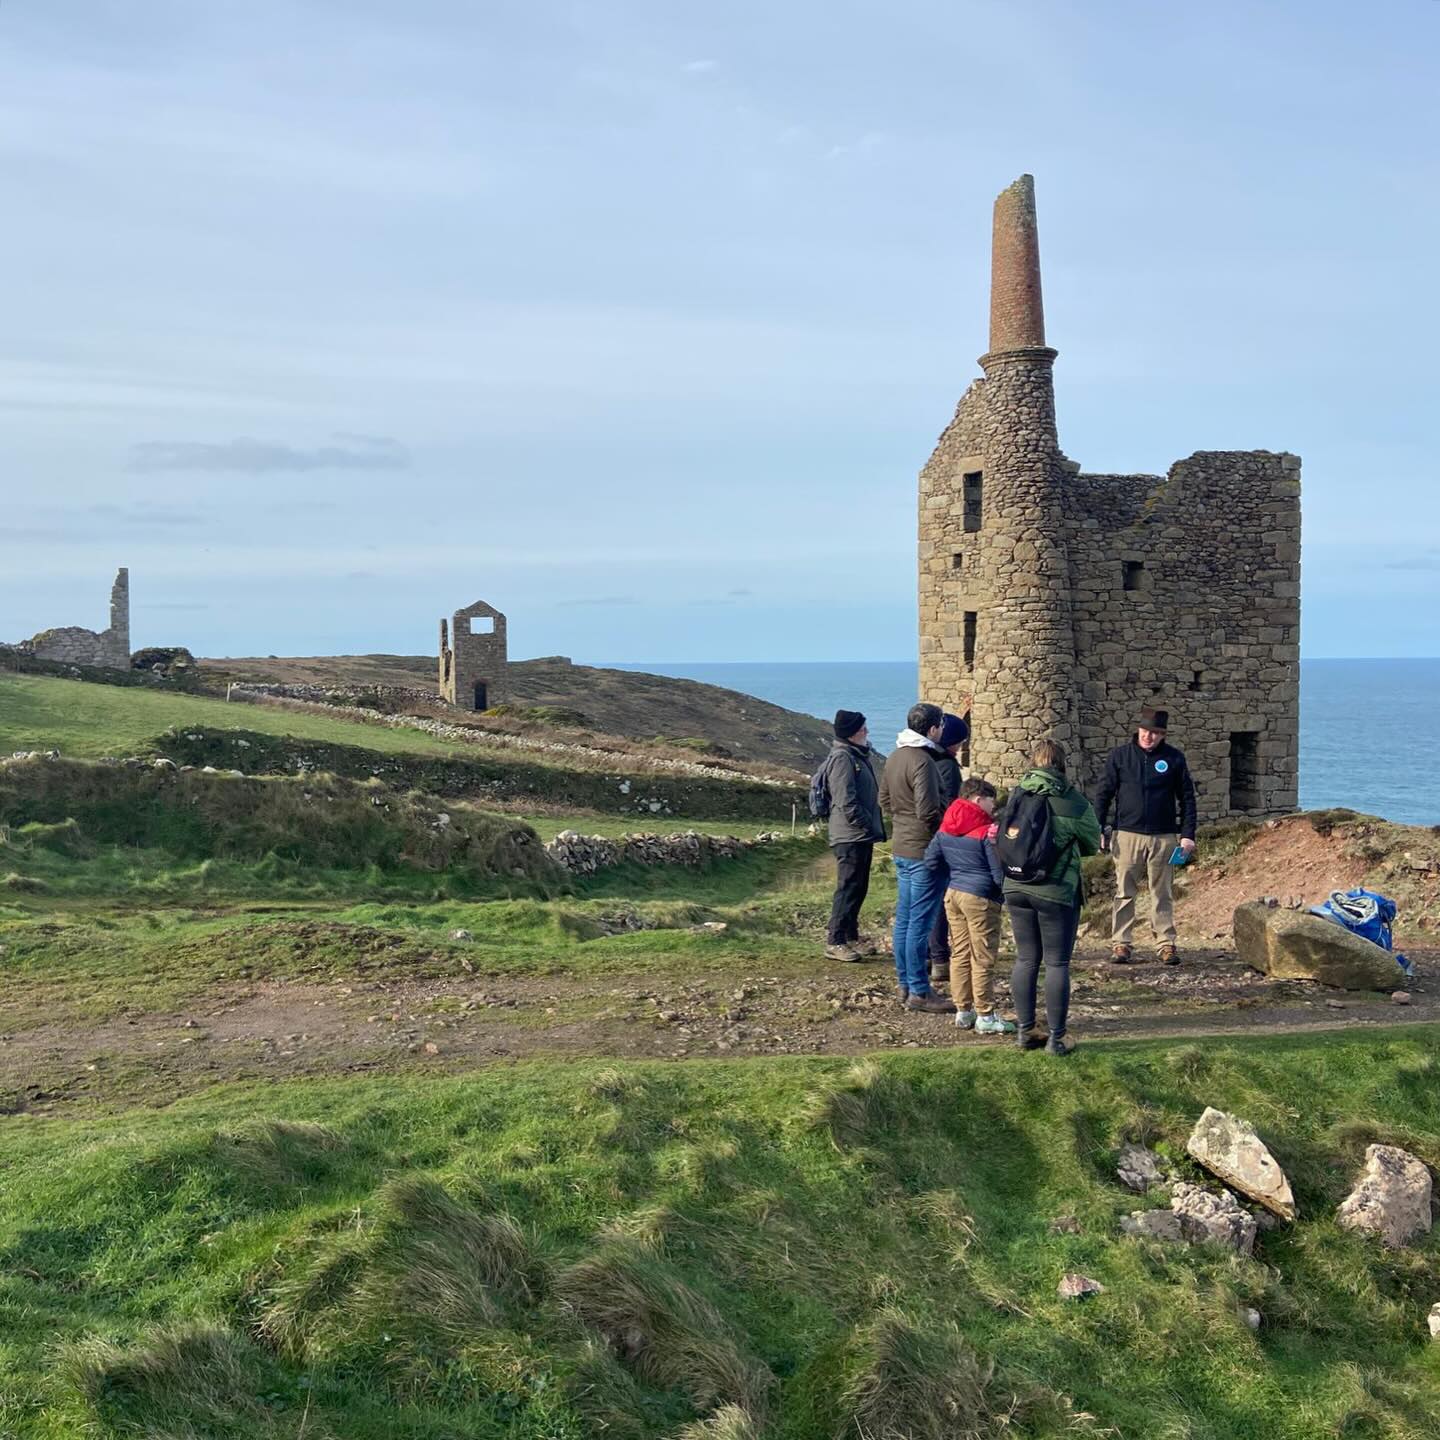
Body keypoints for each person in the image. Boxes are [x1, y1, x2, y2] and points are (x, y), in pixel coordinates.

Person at [1001, 738, 1101, 1056]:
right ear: (1061, 765)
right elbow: (1091, 843)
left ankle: (1025, 1030)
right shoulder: (1071, 801)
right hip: (1055, 890)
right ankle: (1057, 1039)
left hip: (1015, 885)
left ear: (1034, 762)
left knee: (1026, 958)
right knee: (1057, 962)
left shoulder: (1018, 793)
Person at [1094, 704, 1198, 966]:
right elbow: (1104, 794)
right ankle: (1121, 943)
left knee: (1162, 892)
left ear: (1162, 734)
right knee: (1124, 891)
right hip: (1127, 835)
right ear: (1138, 729)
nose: (1147, 736)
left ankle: (1165, 944)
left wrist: (1187, 835)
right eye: (1144, 730)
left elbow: (1187, 799)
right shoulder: (1120, 756)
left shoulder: (1175, 759)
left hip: (1164, 837)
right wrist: (1098, 826)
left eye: (1153, 732)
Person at [878, 702, 955, 1013]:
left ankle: (906, 983)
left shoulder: (895, 756)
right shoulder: (923, 760)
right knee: (920, 924)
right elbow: (927, 810)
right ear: (933, 728)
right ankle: (920, 992)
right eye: (940, 725)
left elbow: (884, 799)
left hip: (901, 846)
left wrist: (904, 819)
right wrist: (947, 825)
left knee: (906, 921)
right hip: (924, 850)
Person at [924, 777, 1014, 1035]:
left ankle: (964, 1011)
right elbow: (997, 873)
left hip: (954, 893)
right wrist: (1006, 895)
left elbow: (930, 861)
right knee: (983, 956)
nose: (992, 807)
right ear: (978, 799)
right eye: (990, 801)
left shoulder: (946, 827)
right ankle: (985, 1014)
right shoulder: (985, 832)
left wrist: (955, 873)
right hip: (981, 897)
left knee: (960, 953)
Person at [822, 709, 885, 962]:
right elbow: (844, 799)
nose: (866, 732)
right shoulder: (842, 759)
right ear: (851, 734)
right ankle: (835, 940)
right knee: (848, 887)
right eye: (862, 729)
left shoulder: (855, 755)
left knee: (858, 887)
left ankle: (850, 936)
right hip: (850, 835)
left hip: (859, 834)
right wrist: (864, 824)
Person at [927, 711, 970, 985]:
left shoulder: (926, 760)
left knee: (928, 901)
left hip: (924, 841)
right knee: (939, 901)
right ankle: (939, 957)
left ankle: (931, 956)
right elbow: (949, 808)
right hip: (940, 841)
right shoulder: (947, 767)